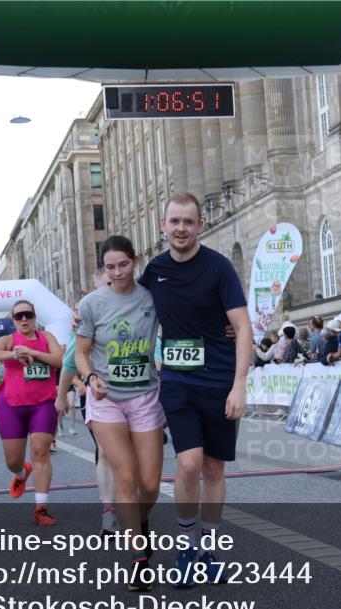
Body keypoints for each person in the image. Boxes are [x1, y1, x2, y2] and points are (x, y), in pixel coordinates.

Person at [138, 193, 253, 588]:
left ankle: (210, 549)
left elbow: (243, 328)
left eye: (188, 222)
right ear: (163, 225)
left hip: (219, 382)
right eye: (174, 222)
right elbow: (127, 304)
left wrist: (239, 386)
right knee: (188, 464)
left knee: (213, 468)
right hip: (177, 381)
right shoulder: (154, 270)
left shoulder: (219, 268)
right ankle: (186, 547)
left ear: (200, 225)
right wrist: (87, 311)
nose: (181, 229)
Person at [76, 235, 165, 592]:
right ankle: (138, 558)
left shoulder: (152, 298)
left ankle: (138, 526)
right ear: (103, 269)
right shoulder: (92, 304)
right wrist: (90, 377)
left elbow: (188, 316)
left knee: (151, 484)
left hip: (145, 396)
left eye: (123, 265)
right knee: (125, 478)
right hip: (107, 398)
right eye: (109, 267)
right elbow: (81, 352)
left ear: (135, 261)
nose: (117, 273)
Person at [0, 300, 62, 527]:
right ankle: (20, 474)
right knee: (13, 461)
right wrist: (14, 356)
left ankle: (41, 509)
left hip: (43, 404)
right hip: (12, 405)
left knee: (40, 452)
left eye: (28, 315)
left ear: (35, 317)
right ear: (13, 320)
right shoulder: (8, 341)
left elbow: (60, 360)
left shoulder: (47, 338)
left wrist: (33, 352)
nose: (24, 319)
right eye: (19, 316)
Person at [56, 279, 119, 536]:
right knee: (105, 452)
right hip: (100, 394)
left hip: (138, 394)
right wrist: (61, 396)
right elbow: (70, 363)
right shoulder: (84, 319)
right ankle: (110, 512)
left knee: (134, 456)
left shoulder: (134, 307)